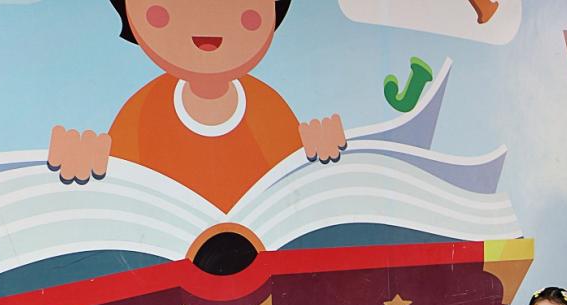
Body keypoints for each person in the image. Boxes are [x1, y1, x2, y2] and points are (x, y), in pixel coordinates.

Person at [47, 0, 345, 211]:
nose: (208, 17)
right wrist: (89, 161)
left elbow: (290, 180)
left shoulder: (267, 106)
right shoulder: (143, 112)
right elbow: (124, 186)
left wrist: (317, 150)